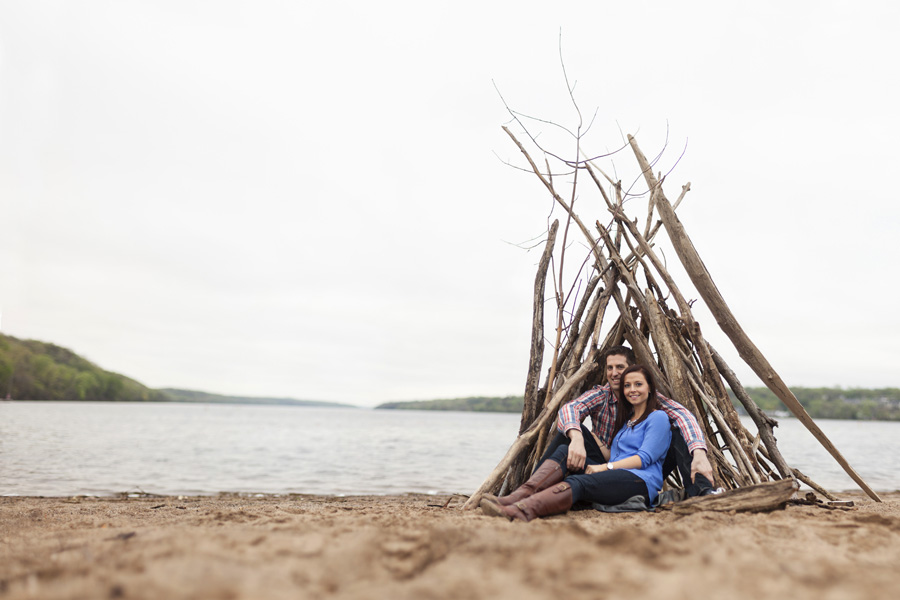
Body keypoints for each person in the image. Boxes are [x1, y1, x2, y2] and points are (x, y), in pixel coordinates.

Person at [482, 365, 671, 521]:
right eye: (627, 385)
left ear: (650, 388)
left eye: (638, 384)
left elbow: (644, 458)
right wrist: (586, 438)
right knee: (565, 449)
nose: (632, 390)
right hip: (617, 475)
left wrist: (605, 467)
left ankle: (523, 510)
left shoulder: (657, 418)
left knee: (578, 481)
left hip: (640, 482)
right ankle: (518, 496)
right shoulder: (627, 421)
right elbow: (615, 455)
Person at [545, 345, 716, 497]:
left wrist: (699, 453)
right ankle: (534, 487)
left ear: (630, 370)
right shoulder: (601, 395)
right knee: (568, 433)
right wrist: (577, 438)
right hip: (604, 462)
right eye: (610, 368)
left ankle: (702, 493)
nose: (614, 373)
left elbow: (684, 416)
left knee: (680, 432)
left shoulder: (648, 399)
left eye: (620, 367)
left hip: (642, 467)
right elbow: (569, 409)